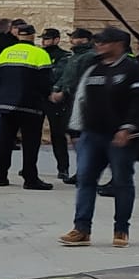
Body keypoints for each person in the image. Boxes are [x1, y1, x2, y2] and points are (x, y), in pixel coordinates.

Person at [59, 27, 139, 249]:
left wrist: (128, 128)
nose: (98, 45)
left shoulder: (133, 70)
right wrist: (75, 130)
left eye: (103, 42)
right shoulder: (94, 68)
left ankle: (121, 229)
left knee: (121, 181)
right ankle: (81, 229)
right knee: (85, 179)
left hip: (121, 136)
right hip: (92, 134)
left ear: (119, 44)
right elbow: (81, 99)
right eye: (97, 42)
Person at [0, 20, 54, 190]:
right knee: (31, 143)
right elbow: (45, 81)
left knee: (5, 140)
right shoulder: (40, 54)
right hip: (30, 105)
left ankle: (0, 176)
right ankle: (30, 178)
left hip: (6, 104)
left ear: (18, 35)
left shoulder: (6, 52)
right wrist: (46, 96)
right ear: (33, 36)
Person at [46, 28, 94, 181]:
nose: (71, 40)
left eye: (74, 37)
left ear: (83, 39)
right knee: (71, 134)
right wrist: (56, 89)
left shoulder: (88, 57)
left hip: (79, 101)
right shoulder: (75, 56)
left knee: (78, 136)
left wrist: (63, 92)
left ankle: (84, 171)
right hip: (68, 101)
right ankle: (79, 171)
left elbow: (79, 79)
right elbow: (65, 76)